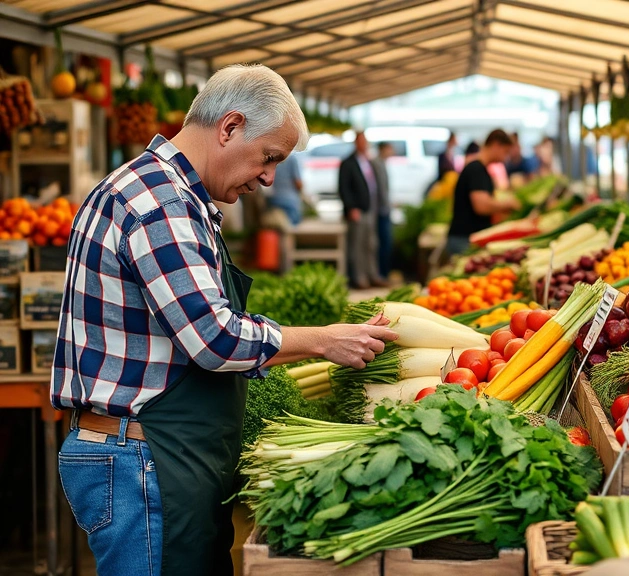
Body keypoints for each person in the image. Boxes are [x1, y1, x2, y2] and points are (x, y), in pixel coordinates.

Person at [51, 64, 398, 576]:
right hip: (142, 460)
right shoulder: (160, 203)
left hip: (150, 453)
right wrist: (325, 341)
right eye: (269, 157)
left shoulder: (167, 193)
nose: (269, 177)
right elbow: (214, 338)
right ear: (230, 127)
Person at [446, 129, 521, 255]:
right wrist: (508, 204)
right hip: (464, 240)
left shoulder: (480, 169)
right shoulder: (476, 169)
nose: (506, 158)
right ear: (496, 145)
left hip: (466, 238)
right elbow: (481, 206)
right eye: (505, 152)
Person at [339, 132, 388, 289]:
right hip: (358, 210)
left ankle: (372, 274)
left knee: (371, 244)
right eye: (361, 141)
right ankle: (359, 278)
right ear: (356, 143)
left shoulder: (368, 161)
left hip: (370, 208)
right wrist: (351, 207)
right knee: (357, 245)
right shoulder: (348, 162)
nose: (364, 144)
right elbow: (343, 188)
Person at [264, 151, 305, 225]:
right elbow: (298, 183)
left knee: (277, 227)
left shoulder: (272, 158)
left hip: (275, 198)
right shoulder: (292, 159)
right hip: (290, 201)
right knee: (291, 226)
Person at [372, 142, 394, 280]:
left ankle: (384, 273)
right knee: (383, 243)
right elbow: (379, 189)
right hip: (380, 210)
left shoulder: (382, 163)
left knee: (386, 242)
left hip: (384, 209)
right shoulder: (376, 163)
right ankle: (382, 274)